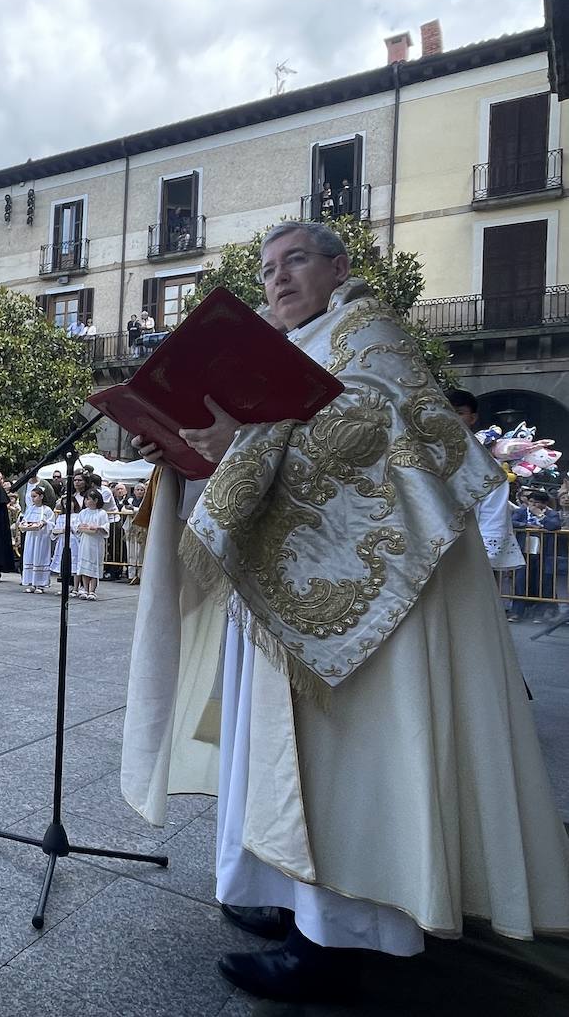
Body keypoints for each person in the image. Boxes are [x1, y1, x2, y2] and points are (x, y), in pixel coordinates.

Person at [121, 220, 569, 1004]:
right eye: (266, 270)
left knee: (347, 766)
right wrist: (192, 445)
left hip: (377, 617)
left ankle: (334, 942)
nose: (278, 280)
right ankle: (292, 899)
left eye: (296, 261)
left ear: (339, 266)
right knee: (285, 760)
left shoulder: (370, 330)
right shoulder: (291, 343)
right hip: (290, 588)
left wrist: (241, 443)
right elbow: (264, 439)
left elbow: (371, 437)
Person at [447, 389, 524, 576]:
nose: (449, 417)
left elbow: (493, 518)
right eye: (444, 410)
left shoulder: (488, 467)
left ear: (472, 418)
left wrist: (482, 562)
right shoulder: (417, 459)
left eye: (458, 412)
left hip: (470, 560)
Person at [509, 489, 561, 623]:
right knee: (520, 580)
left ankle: (541, 612)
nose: (532, 505)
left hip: (544, 552)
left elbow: (554, 526)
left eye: (537, 503)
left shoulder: (552, 514)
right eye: (531, 501)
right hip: (524, 550)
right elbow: (511, 522)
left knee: (542, 580)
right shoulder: (521, 511)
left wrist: (540, 516)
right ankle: (517, 612)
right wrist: (526, 525)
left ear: (544, 504)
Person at [72, 489, 109, 599]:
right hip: (85, 541)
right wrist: (81, 526)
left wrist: (98, 527)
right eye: (86, 499)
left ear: (96, 500)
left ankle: (92, 590)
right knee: (84, 566)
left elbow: (106, 527)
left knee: (94, 565)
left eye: (88, 499)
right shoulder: (83, 512)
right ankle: (85, 589)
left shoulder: (102, 513)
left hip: (96, 542)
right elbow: (76, 525)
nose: (86, 502)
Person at [19, 487, 54, 593]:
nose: (33, 499)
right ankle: (32, 583)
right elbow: (25, 520)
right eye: (32, 497)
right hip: (31, 537)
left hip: (41, 538)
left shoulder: (47, 510)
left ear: (41, 496)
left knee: (40, 558)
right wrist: (24, 524)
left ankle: (41, 584)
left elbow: (52, 523)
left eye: (35, 496)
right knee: (30, 557)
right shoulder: (30, 509)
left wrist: (44, 523)